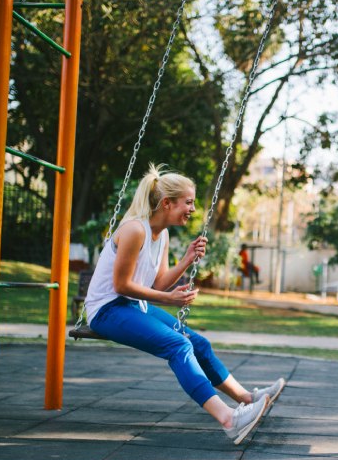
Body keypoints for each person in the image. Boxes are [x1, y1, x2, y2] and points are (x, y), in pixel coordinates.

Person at [84, 164, 285, 444]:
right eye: (188, 202)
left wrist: (187, 259)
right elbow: (121, 286)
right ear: (167, 203)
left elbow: (159, 283)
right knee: (178, 345)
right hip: (107, 309)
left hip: (131, 307)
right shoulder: (134, 230)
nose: (192, 208)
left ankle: (246, 398)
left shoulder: (162, 234)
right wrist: (168, 299)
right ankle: (229, 419)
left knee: (198, 343)